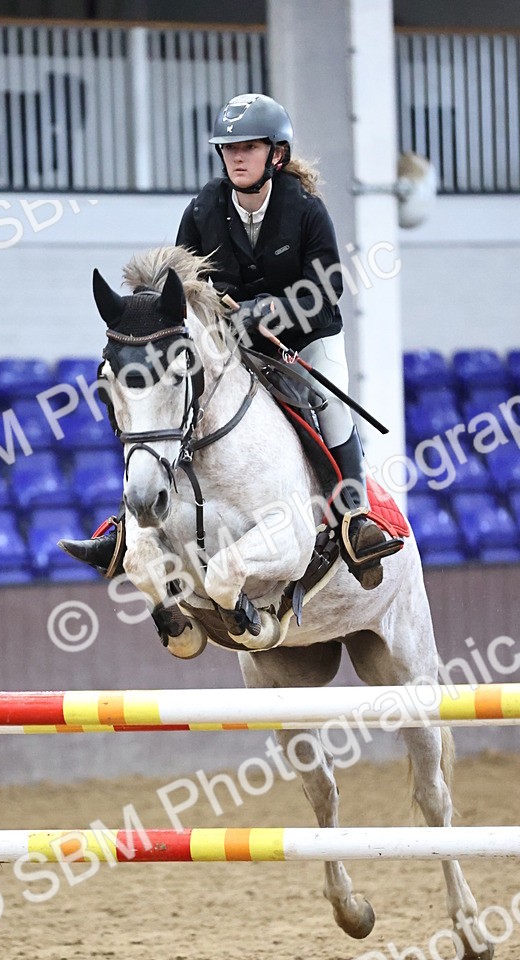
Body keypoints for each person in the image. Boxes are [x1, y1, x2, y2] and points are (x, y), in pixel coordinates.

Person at [63, 92, 401, 589]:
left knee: (329, 404)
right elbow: (175, 281)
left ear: (276, 155)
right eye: (229, 148)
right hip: (231, 343)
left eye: (249, 147)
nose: (237, 157)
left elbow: (329, 286)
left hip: (306, 339)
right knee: (162, 402)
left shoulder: (304, 209)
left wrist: (271, 310)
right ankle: (125, 529)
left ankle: (356, 518)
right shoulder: (204, 207)